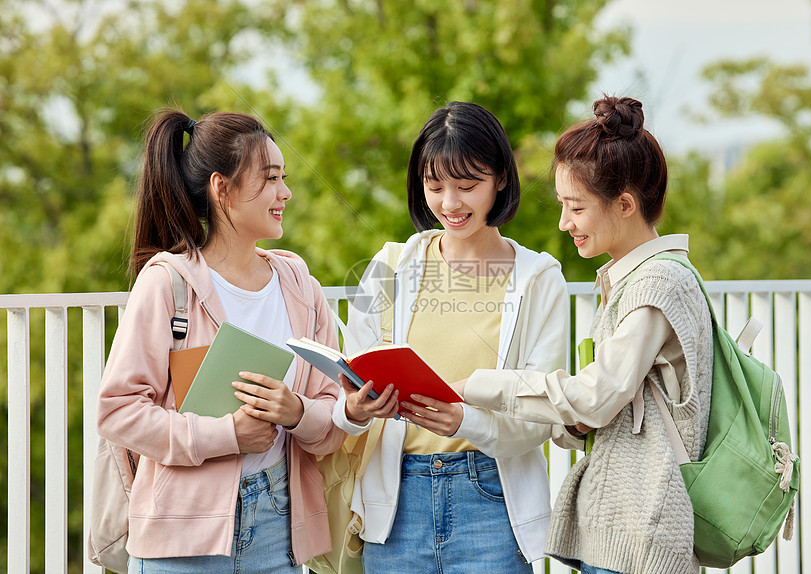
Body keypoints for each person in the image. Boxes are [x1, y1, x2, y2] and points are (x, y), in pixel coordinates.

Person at [450, 96, 714, 574]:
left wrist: (479, 386)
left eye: (575, 207)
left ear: (626, 204)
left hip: (641, 536)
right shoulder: (630, 278)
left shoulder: (657, 283)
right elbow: (609, 409)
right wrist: (569, 423)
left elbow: (596, 395)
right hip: (624, 530)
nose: (563, 222)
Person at [96, 109, 344, 572]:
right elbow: (119, 411)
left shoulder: (300, 284)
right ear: (222, 188)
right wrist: (227, 434)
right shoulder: (167, 283)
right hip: (179, 538)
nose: (285, 192)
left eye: (283, 178)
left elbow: (332, 415)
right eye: (270, 179)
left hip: (279, 530)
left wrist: (297, 413)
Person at [331, 101, 574, 573]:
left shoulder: (540, 279)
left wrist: (465, 422)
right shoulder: (389, 268)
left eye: (467, 186)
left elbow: (541, 415)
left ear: (501, 178)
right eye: (434, 186)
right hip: (395, 505)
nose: (449, 204)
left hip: (491, 502)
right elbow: (348, 386)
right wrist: (355, 408)